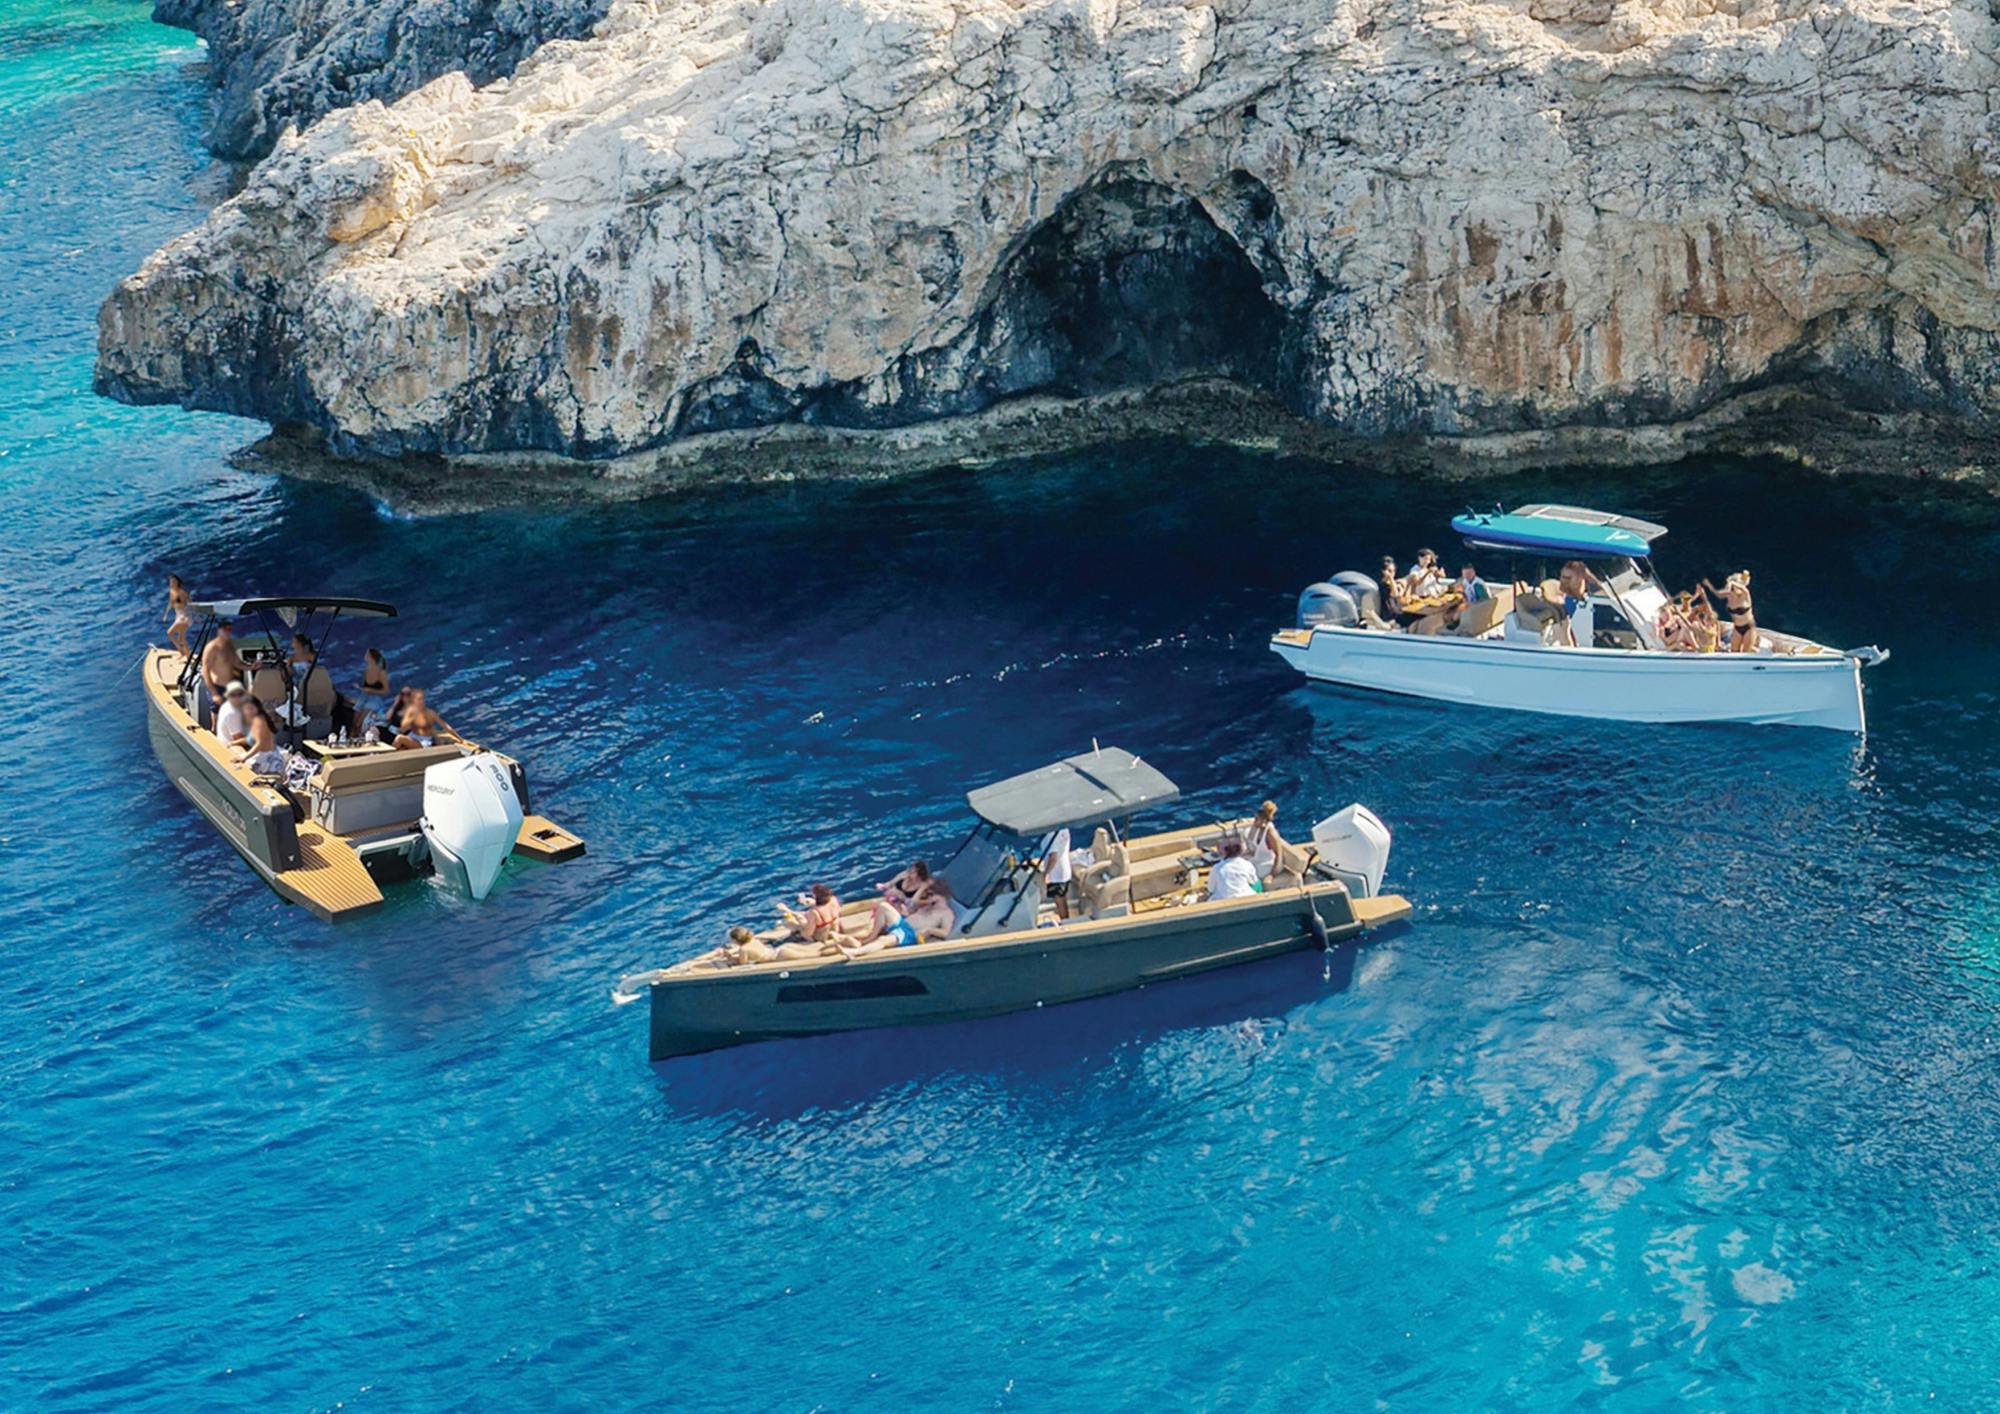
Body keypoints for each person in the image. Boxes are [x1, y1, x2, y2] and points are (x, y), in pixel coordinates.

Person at [1703, 571, 1759, 652]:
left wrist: (1732, 582)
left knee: (1746, 652)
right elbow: (1717, 594)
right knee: (1734, 651)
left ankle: (1755, 649)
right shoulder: (1729, 595)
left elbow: (1742, 587)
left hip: (1749, 627)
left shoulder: (1745, 594)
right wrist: (1708, 585)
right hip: (1737, 628)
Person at [200, 619, 250, 703]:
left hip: (230, 687)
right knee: (216, 714)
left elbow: (237, 663)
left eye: (229, 630)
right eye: (225, 629)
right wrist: (214, 693)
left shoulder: (229, 644)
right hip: (217, 687)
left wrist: (251, 666)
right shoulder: (212, 647)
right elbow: (205, 670)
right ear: (219, 630)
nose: (228, 632)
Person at [1236, 800, 1287, 880]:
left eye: (1257, 819)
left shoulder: (1271, 834)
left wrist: (1272, 875)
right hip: (1255, 861)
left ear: (1264, 821)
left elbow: (1279, 855)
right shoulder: (1255, 828)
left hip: (1266, 865)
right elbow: (1251, 848)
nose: (1254, 821)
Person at [391, 688, 456, 750]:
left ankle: (387, 756)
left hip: (423, 743)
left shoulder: (430, 713)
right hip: (412, 737)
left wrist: (460, 739)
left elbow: (446, 726)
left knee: (400, 738)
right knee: (400, 747)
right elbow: (403, 728)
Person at [234, 702, 286, 775]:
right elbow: (249, 740)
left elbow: (260, 744)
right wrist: (233, 743)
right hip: (271, 754)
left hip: (266, 758)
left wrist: (245, 757)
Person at [1041, 826, 1074, 920]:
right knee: (1063, 900)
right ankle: (1067, 921)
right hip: (1065, 871)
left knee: (1059, 902)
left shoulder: (1050, 834)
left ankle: (1066, 923)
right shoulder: (1064, 829)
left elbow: (1053, 857)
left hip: (1055, 874)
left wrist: (1046, 874)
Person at [214, 680, 252, 747]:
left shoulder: (226, 705)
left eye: (240, 694)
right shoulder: (233, 713)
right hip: (232, 749)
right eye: (233, 695)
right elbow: (239, 740)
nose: (237, 698)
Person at [165, 574, 191, 657]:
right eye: (171, 582)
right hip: (178, 617)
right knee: (181, 639)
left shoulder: (182, 592)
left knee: (169, 633)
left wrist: (197, 616)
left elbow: (190, 603)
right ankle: (187, 655)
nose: (172, 584)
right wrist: (166, 614)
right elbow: (170, 604)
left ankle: (182, 652)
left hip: (184, 617)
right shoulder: (171, 592)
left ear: (177, 583)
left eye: (174, 582)